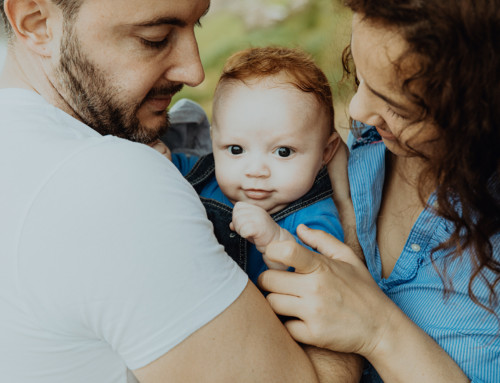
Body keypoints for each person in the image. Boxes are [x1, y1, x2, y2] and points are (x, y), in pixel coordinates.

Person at [0, 0, 362, 382]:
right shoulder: (111, 180)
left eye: (197, 26)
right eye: (154, 38)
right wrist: (349, 242)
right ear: (37, 22)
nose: (195, 71)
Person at [258, 0, 500, 382]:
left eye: (399, 109)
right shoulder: (372, 142)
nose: (356, 110)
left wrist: (380, 331)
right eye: (360, 75)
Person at [162, 46, 344, 285]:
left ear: (325, 153)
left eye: (283, 152)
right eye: (236, 150)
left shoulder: (314, 218)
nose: (256, 171)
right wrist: (159, 158)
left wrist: (275, 240)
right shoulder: (204, 174)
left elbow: (321, 278)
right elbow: (166, 172)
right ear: (214, 142)